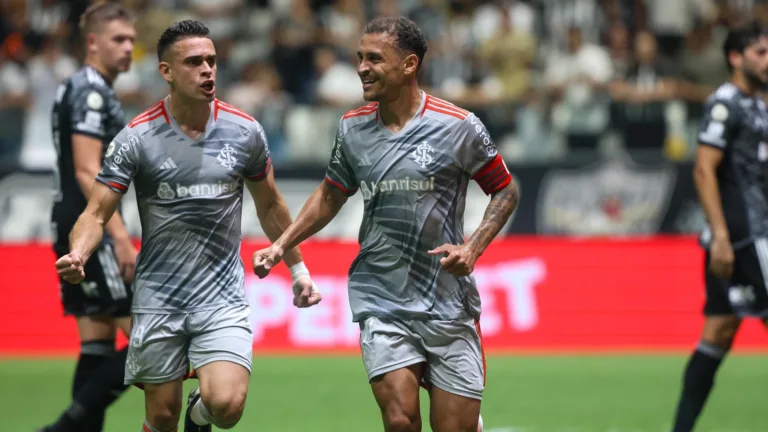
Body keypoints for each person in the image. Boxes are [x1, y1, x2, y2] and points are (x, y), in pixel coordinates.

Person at [253, 16, 518, 432]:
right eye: (360, 57)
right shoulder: (352, 127)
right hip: (381, 296)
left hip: (448, 301)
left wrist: (472, 248)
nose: (362, 68)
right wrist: (281, 244)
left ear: (409, 65)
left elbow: (505, 190)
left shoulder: (457, 126)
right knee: (399, 420)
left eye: (374, 59)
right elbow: (330, 195)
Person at [55, 20, 322, 432]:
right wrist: (79, 253)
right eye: (194, 62)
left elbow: (270, 204)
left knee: (227, 406)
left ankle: (200, 415)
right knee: (162, 417)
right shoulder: (136, 137)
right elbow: (95, 213)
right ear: (166, 71)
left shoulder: (244, 131)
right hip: (158, 298)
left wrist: (299, 270)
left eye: (211, 61)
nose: (207, 70)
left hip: (222, 297)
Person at [41, 3, 137, 431]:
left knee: (97, 344)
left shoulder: (75, 86)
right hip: (90, 230)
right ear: (93, 42)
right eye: (119, 39)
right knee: (151, 341)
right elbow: (87, 169)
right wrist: (119, 236)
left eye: (131, 40)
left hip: (68, 223)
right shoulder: (92, 92)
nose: (128, 47)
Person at [671, 22, 768, 432]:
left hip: (749, 234)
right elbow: (704, 170)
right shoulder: (725, 103)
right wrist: (722, 237)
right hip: (746, 237)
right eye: (760, 53)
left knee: (719, 331)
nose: (767, 61)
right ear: (735, 57)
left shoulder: (758, 104)